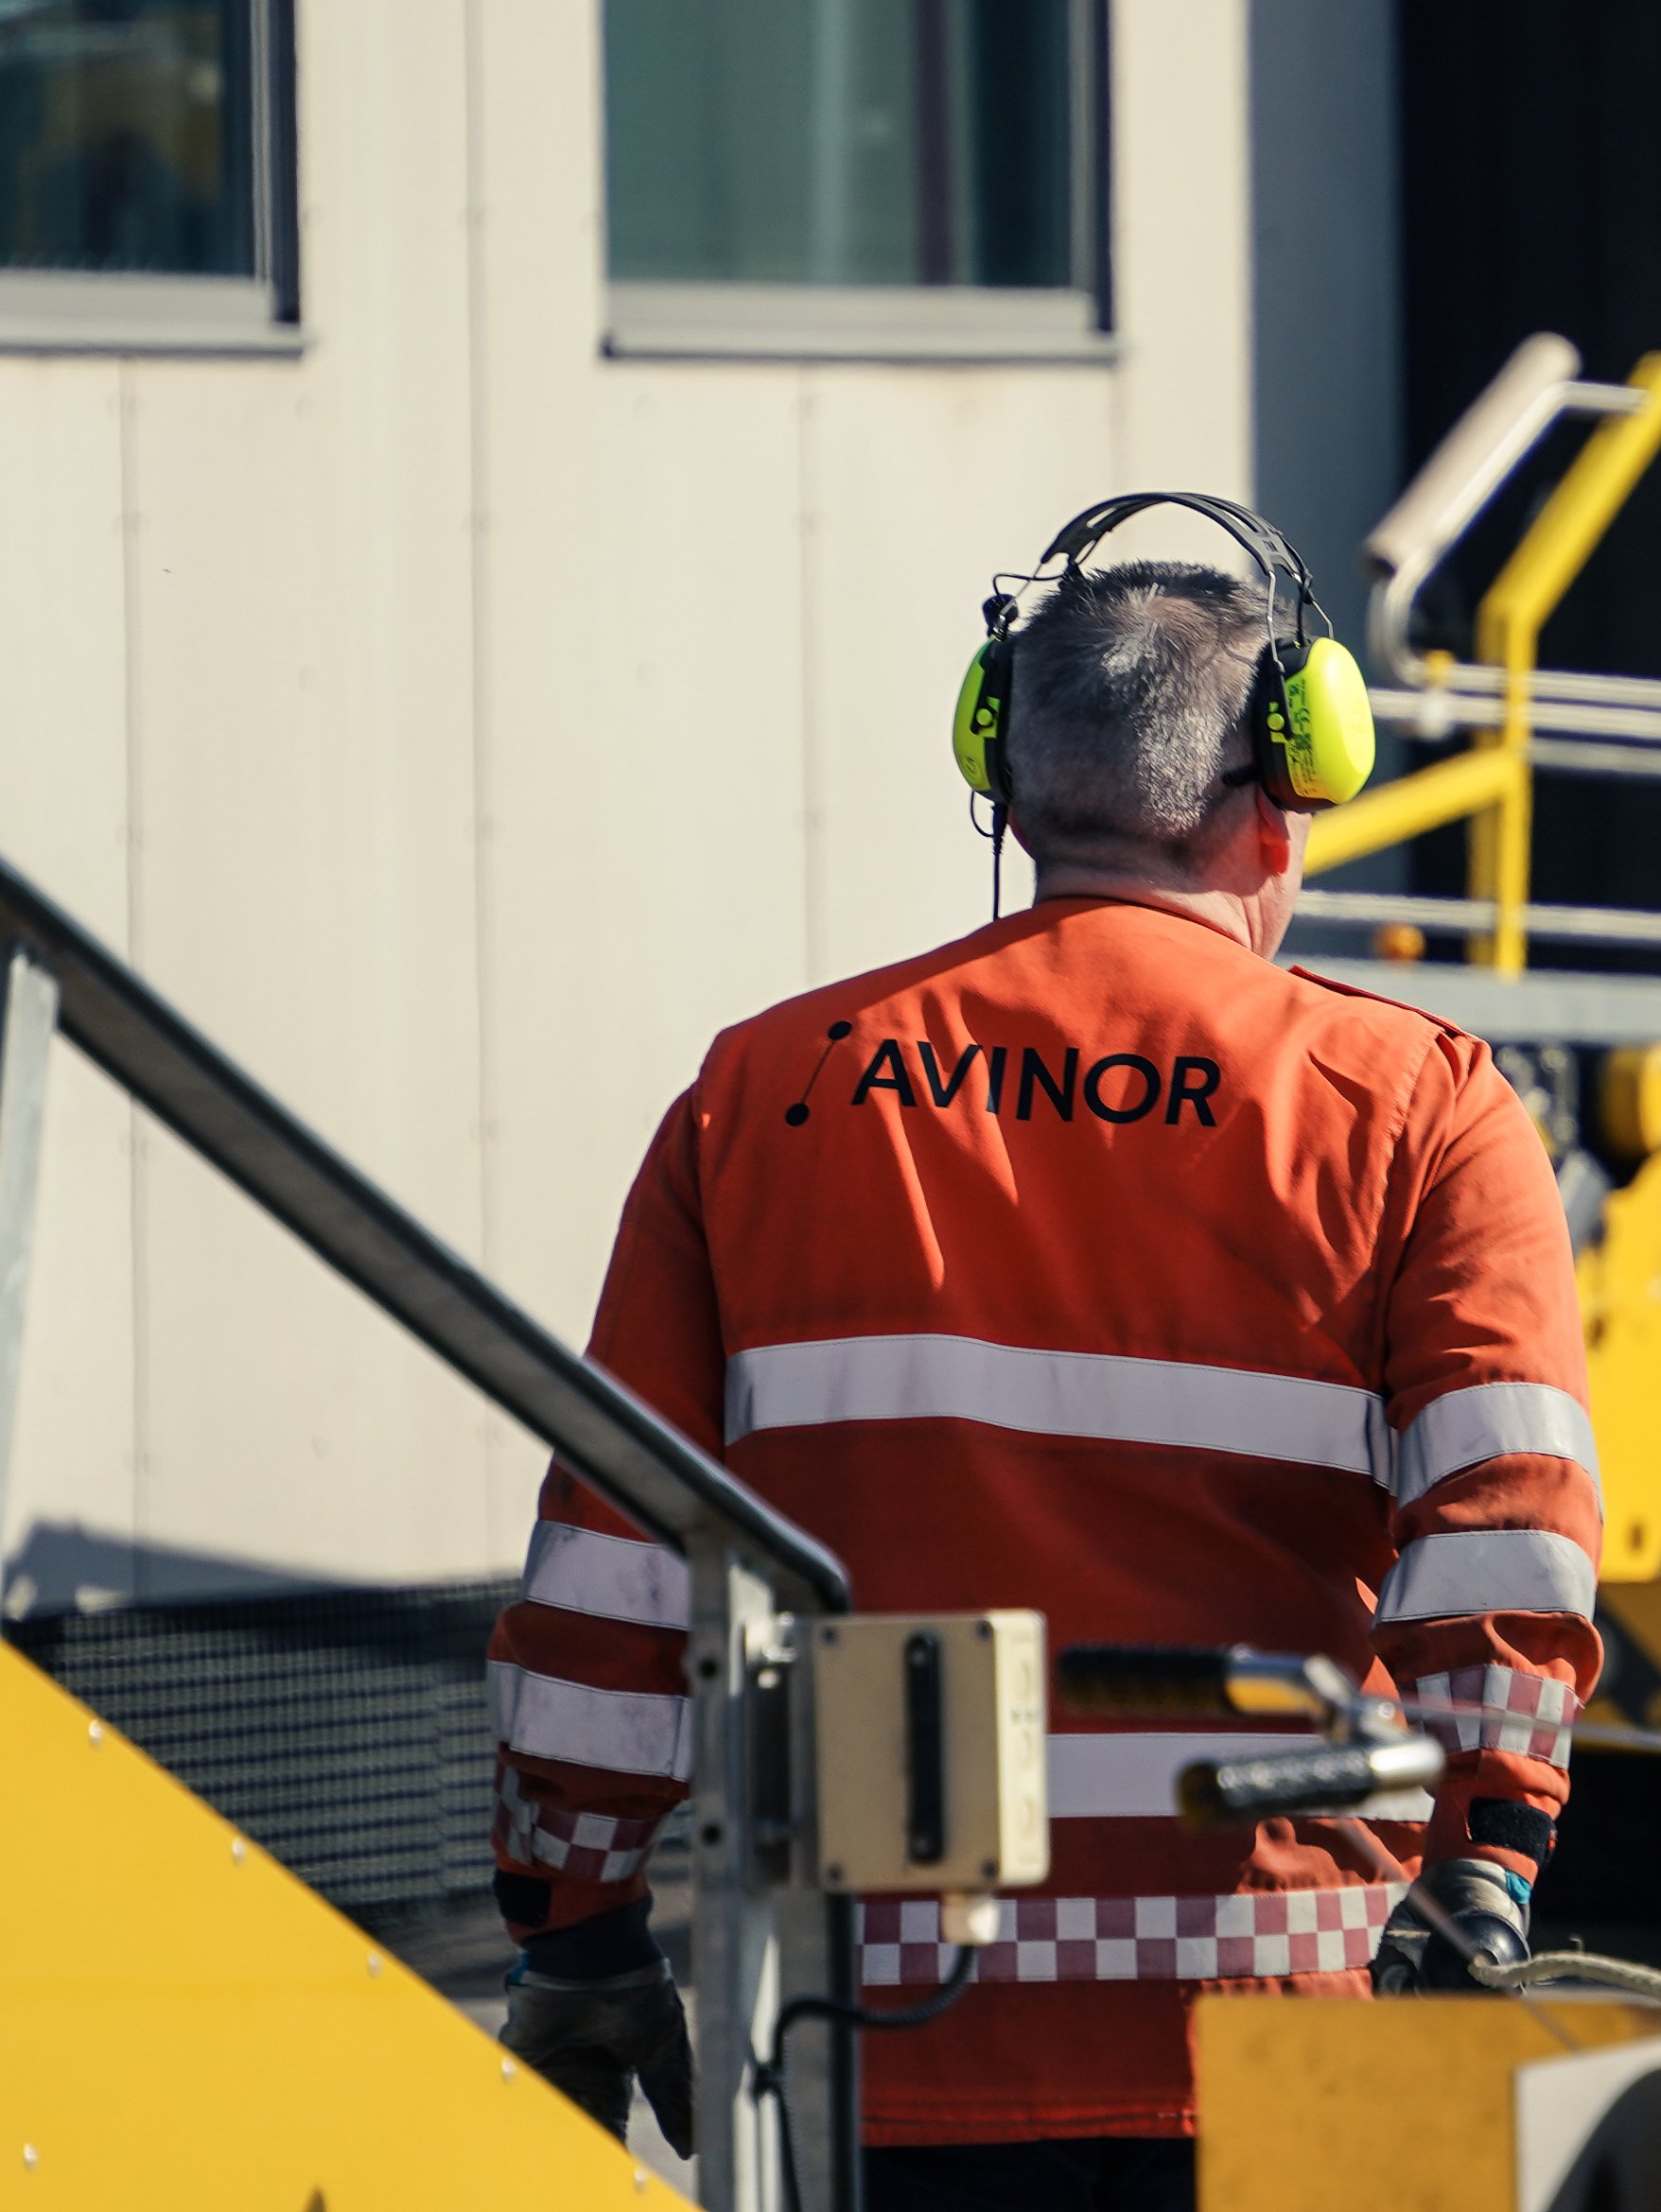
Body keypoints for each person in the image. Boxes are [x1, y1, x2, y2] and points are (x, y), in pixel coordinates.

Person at [484, 496, 1602, 2209]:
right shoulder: (1415, 1108)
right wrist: (1488, 1864)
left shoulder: (766, 1094)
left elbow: (610, 1569)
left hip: (874, 2034)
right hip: (1277, 2028)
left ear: (998, 770)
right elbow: (1510, 1536)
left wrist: (578, 1929)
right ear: (1295, 786)